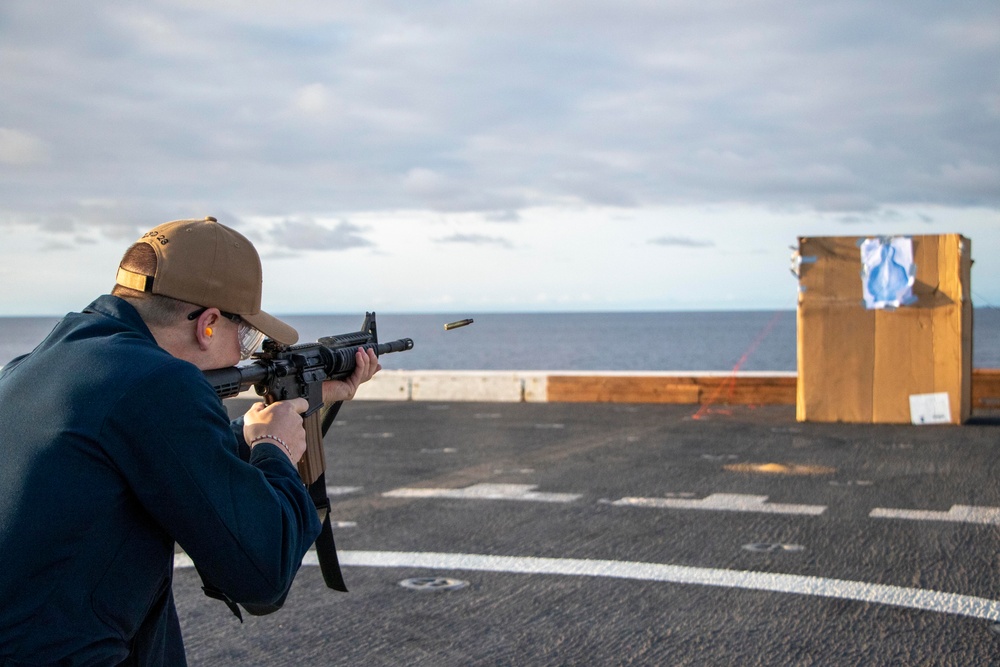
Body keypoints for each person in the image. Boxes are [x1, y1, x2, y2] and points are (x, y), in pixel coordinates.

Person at [0, 217, 380, 665]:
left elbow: (149, 456)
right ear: (209, 324)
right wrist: (275, 451)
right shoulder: (160, 381)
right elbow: (262, 573)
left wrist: (259, 426)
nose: (243, 355)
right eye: (248, 337)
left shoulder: (37, 365)